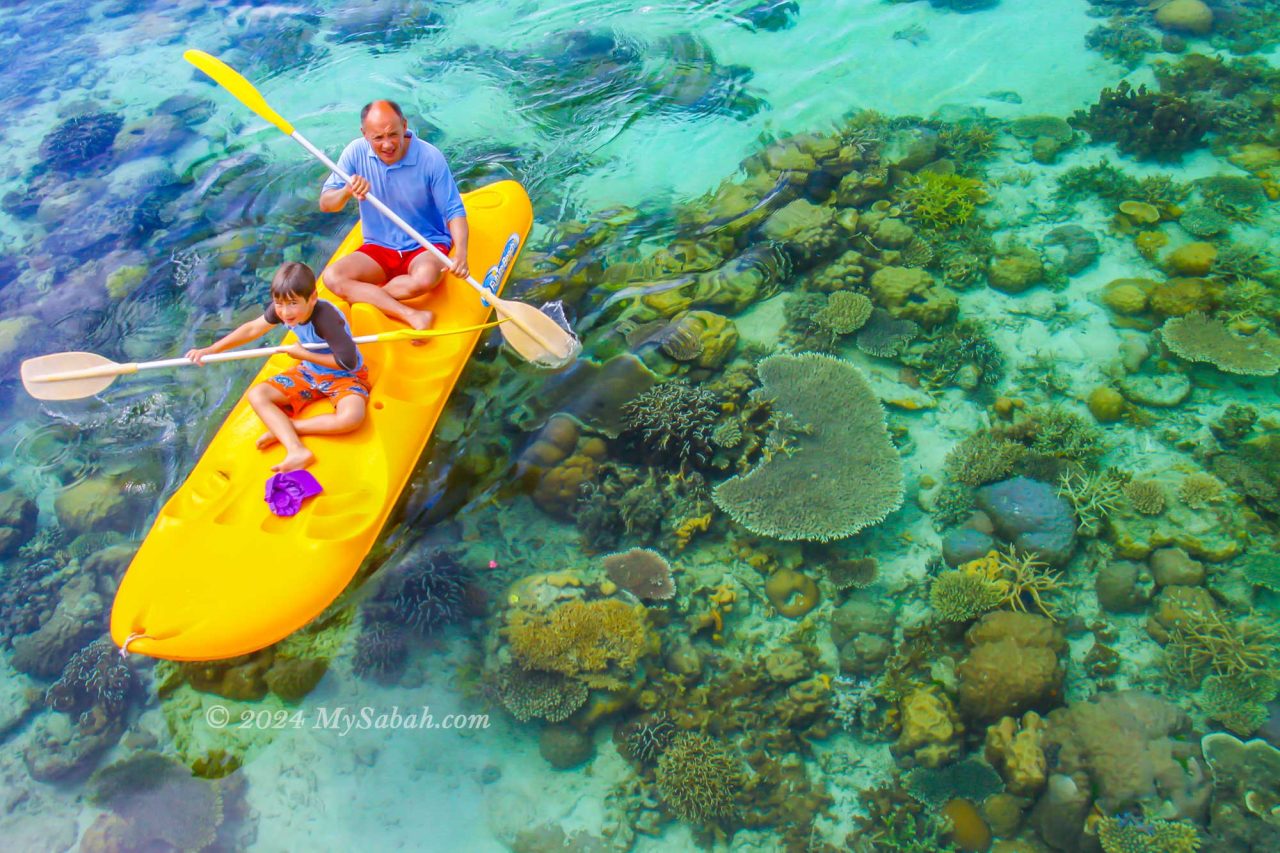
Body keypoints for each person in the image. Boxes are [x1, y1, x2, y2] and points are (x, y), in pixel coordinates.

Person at [185, 262, 369, 473]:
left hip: (345, 376)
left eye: (292, 303)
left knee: (352, 417)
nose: (285, 312)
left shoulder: (327, 318)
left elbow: (349, 362)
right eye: (279, 303)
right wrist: (213, 349)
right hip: (310, 372)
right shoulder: (283, 309)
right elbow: (253, 329)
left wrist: (303, 354)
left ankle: (288, 428)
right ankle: (296, 450)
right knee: (258, 395)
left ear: (313, 298)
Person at [318, 99, 469, 331]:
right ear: (365, 134)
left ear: (405, 125)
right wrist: (346, 191)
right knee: (332, 277)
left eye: (393, 135)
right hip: (378, 247)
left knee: (425, 279)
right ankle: (411, 315)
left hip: (425, 245)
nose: (387, 145)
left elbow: (454, 211)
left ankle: (370, 299)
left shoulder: (430, 158)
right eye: (378, 138)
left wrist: (461, 253)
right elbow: (326, 204)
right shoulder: (355, 152)